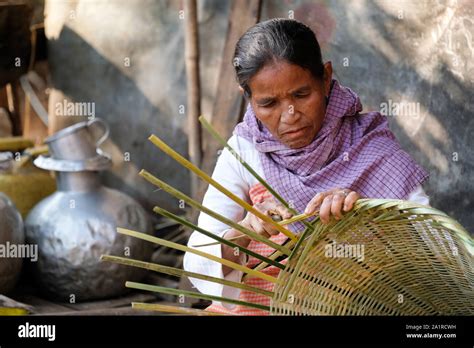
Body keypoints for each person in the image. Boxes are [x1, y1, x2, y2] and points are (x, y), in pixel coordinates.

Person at [183, 18, 429, 315]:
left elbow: (431, 250)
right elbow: (197, 260)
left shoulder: (371, 148)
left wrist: (364, 216)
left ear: (326, 78)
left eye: (301, 95)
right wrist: (243, 233)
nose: (289, 115)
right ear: (247, 98)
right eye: (269, 103)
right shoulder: (244, 151)